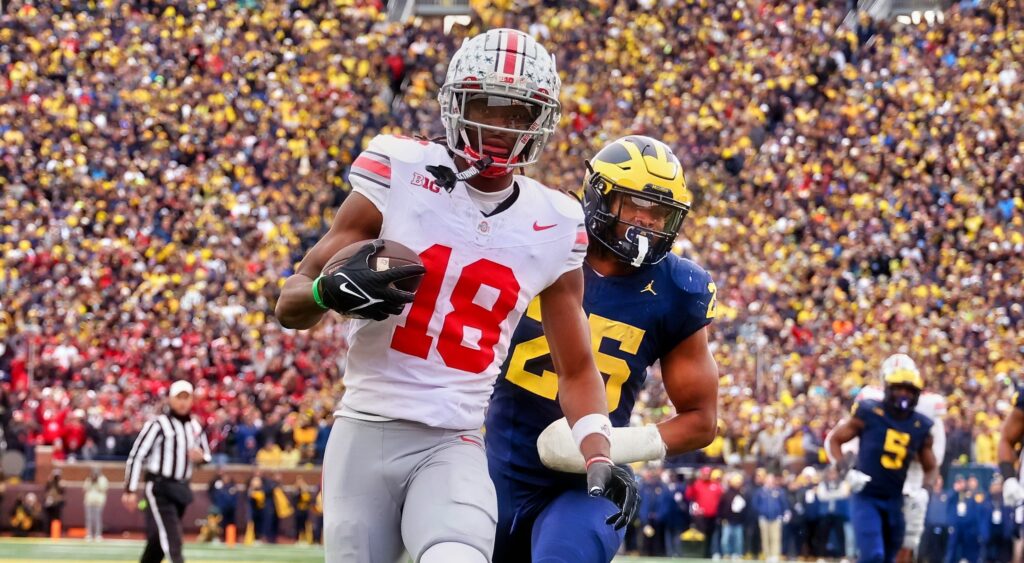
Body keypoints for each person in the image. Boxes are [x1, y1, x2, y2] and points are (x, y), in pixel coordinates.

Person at [274, 28, 633, 563]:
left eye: (517, 113)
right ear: (456, 103)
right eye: (486, 105)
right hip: (365, 431)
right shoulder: (399, 169)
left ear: (539, 123)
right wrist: (329, 291)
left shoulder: (556, 223)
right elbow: (290, 303)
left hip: (455, 439)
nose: (498, 125)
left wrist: (598, 449)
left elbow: (577, 367)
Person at [485, 135, 718, 562]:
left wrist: (609, 449)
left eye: (660, 214)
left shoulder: (678, 289)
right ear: (599, 199)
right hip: (494, 463)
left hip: (590, 484)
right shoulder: (542, 241)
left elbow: (701, 420)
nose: (646, 223)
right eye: (634, 207)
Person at [825, 354, 938, 563]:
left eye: (908, 389)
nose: (903, 394)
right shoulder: (869, 411)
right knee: (873, 556)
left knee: (891, 557)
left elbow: (931, 467)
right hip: (867, 496)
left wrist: (925, 491)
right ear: (887, 388)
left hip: (896, 499)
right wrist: (846, 472)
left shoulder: (921, 426)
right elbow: (834, 441)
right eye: (898, 388)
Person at [123, 380, 212, 563]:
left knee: (158, 540)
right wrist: (130, 489)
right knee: (172, 538)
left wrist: (200, 458)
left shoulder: (194, 426)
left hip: (181, 488)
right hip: (159, 487)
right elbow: (137, 455)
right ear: (170, 400)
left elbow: (206, 455)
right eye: (179, 398)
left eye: (186, 398)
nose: (182, 402)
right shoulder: (159, 424)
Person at [83, 466, 109, 541]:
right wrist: (91, 481)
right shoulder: (89, 479)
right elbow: (85, 488)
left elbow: (104, 488)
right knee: (89, 519)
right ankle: (89, 534)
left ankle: (98, 535)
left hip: (98, 502)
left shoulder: (103, 479)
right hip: (89, 501)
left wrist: (97, 481)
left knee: (97, 519)